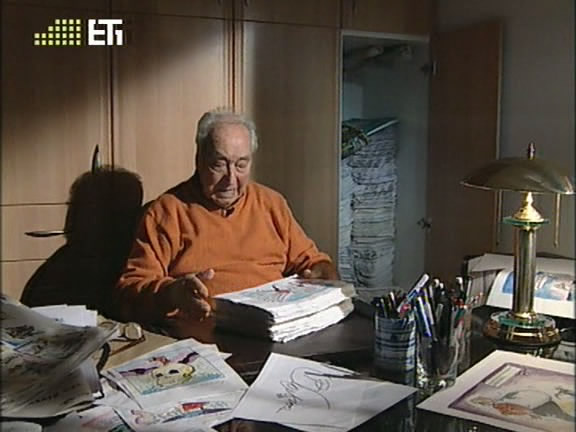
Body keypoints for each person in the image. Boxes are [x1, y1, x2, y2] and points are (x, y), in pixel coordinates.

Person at [113, 109, 339, 331]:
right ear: (199, 159)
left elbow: (312, 262)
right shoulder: (168, 211)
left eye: (241, 165)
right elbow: (127, 293)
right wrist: (172, 294)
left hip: (276, 330)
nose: (231, 179)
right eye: (219, 164)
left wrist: (323, 272)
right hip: (207, 334)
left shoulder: (271, 203)